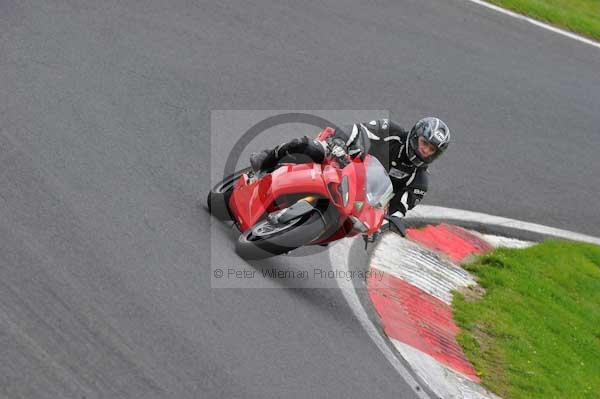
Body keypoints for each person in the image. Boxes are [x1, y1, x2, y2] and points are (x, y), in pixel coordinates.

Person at [249, 117, 451, 216]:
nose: (425, 151)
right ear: (416, 136)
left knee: (353, 226)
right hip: (341, 159)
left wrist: (391, 221)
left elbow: (398, 209)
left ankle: (299, 229)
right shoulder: (391, 131)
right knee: (304, 145)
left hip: (358, 200)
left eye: (431, 149)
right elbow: (356, 129)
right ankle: (266, 160)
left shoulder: (419, 181)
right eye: (425, 143)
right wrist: (339, 143)